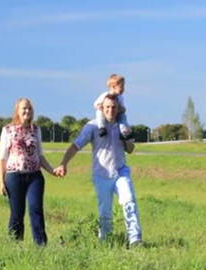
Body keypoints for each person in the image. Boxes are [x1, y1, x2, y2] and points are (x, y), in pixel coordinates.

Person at [54, 96, 142, 246]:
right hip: (102, 175)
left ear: (118, 109)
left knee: (129, 201)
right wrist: (63, 163)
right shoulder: (92, 127)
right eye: (107, 107)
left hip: (121, 171)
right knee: (105, 211)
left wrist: (126, 138)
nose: (110, 110)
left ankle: (135, 239)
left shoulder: (122, 126)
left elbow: (131, 149)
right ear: (101, 108)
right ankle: (106, 241)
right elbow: (76, 145)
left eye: (114, 107)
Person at [0, 98, 57, 246]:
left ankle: (41, 246)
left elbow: (40, 155)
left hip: (34, 176)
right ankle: (15, 245)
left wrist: (52, 171)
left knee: (36, 210)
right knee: (17, 214)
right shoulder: (7, 130)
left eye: (29, 109)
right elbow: (2, 158)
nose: (27, 111)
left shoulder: (36, 130)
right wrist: (1, 181)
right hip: (14, 176)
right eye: (24, 108)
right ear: (17, 110)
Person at [94, 74, 131, 139]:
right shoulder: (105, 95)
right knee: (99, 113)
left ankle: (123, 131)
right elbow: (95, 103)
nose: (123, 89)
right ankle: (102, 127)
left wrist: (122, 109)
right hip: (105, 114)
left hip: (116, 114)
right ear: (113, 87)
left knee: (123, 116)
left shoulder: (120, 97)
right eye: (121, 87)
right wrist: (99, 106)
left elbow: (123, 107)